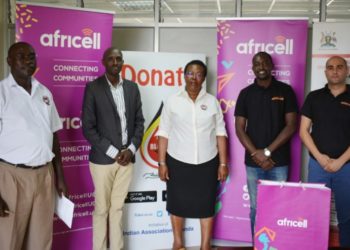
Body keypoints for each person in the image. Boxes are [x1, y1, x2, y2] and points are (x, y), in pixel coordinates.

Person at [0, 42, 67, 250]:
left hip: (44, 176)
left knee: (41, 240)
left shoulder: (44, 92)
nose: (28, 60)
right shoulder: (2, 93)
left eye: (31, 56)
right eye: (21, 56)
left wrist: (60, 178)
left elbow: (54, 137)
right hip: (11, 177)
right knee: (10, 239)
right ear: (9, 61)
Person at [157, 60, 228, 250]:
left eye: (198, 74)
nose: (193, 78)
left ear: (204, 78)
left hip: (207, 162)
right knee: (177, 203)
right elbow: (163, 132)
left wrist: (223, 164)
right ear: (184, 75)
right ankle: (178, 243)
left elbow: (221, 133)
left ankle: (205, 245)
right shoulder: (173, 101)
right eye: (190, 73)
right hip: (178, 161)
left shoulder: (212, 102)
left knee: (206, 205)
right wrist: (161, 162)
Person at [82, 47, 144, 250]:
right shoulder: (93, 88)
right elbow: (88, 128)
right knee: (101, 209)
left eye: (119, 59)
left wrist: (131, 150)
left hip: (127, 159)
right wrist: (114, 152)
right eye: (111, 59)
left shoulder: (132, 88)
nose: (115, 62)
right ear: (104, 62)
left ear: (123, 62)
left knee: (117, 209)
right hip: (103, 160)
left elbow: (139, 123)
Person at [234, 51, 298, 236]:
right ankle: (259, 246)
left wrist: (268, 152)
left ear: (271, 66)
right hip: (253, 163)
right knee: (256, 208)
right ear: (252, 68)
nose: (261, 67)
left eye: (264, 63)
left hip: (279, 162)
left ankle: (276, 245)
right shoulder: (245, 94)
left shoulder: (285, 91)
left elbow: (292, 125)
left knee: (279, 209)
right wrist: (257, 154)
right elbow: (239, 128)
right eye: (257, 64)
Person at [300, 56, 350, 247]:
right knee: (315, 215)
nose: (335, 70)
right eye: (330, 67)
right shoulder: (314, 97)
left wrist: (340, 161)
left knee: (347, 216)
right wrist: (320, 158)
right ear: (325, 71)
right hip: (317, 165)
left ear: (347, 71)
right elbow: (303, 131)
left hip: (346, 167)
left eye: (339, 67)